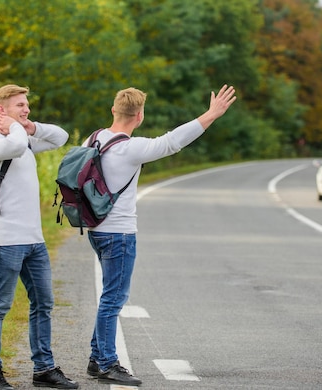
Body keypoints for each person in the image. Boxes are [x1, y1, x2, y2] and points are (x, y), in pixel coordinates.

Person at [84, 85, 237, 386]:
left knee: (109, 297)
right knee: (113, 299)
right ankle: (106, 363)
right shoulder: (131, 148)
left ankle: (95, 358)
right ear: (139, 116)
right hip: (120, 234)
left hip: (96, 229)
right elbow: (172, 142)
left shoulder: (94, 138)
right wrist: (211, 114)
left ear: (114, 109)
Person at [0, 84, 78, 390]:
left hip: (34, 239)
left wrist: (31, 126)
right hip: (4, 238)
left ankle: (43, 369)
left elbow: (60, 137)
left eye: (27, 105)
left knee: (44, 302)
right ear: (1, 109)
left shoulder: (26, 138)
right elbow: (17, 146)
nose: (26, 109)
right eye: (20, 105)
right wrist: (13, 129)